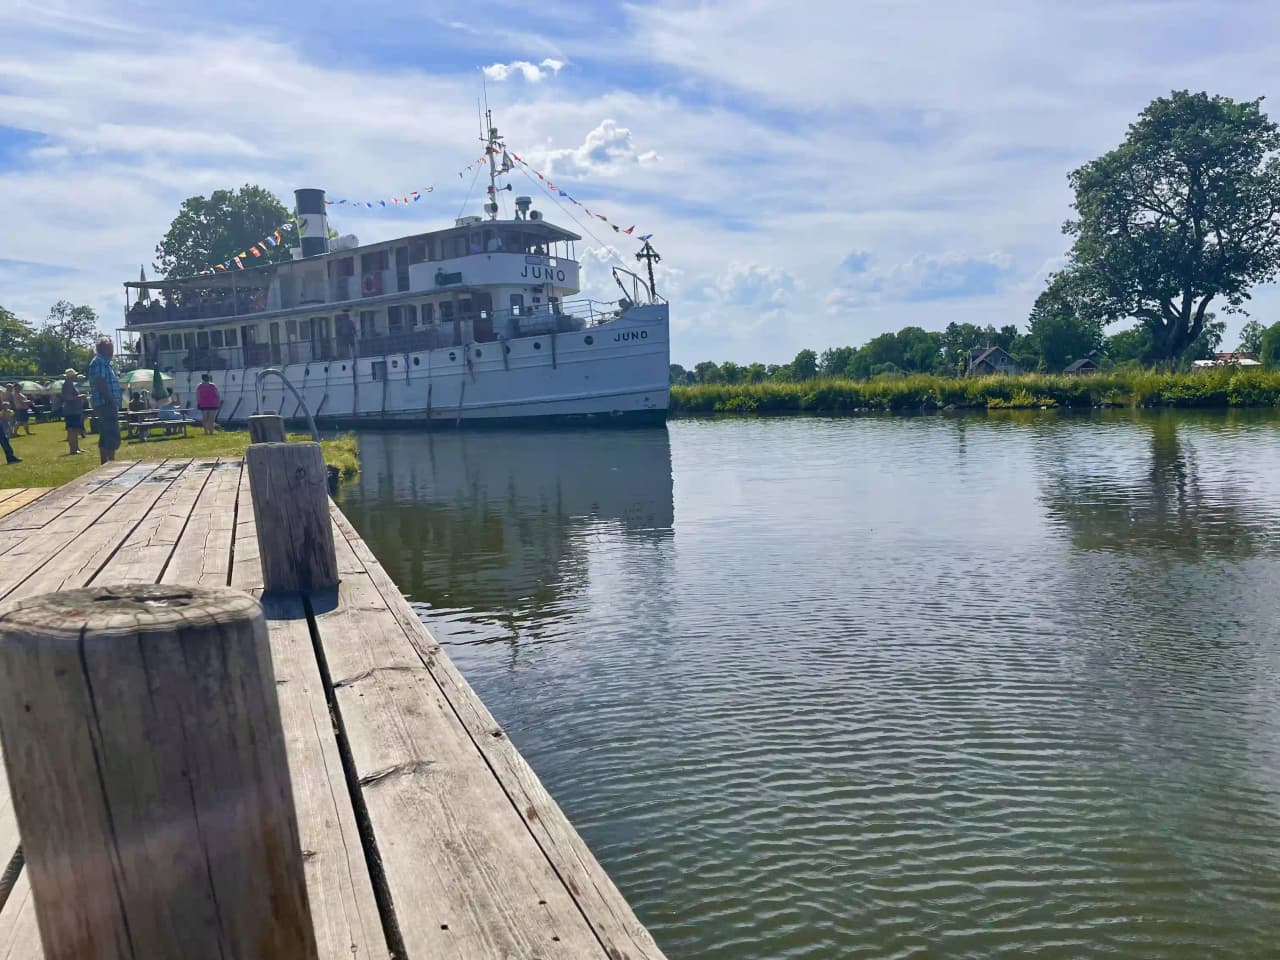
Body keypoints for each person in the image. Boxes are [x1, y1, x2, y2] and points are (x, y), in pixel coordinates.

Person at [89, 337, 122, 465]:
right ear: (102, 349)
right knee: (110, 432)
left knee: (107, 433)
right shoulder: (99, 362)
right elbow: (100, 382)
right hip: (106, 403)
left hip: (106, 403)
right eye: (110, 349)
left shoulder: (106, 363)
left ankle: (107, 462)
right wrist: (110, 400)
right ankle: (109, 462)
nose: (112, 352)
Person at [62, 369, 85, 455]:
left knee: (75, 429)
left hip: (75, 410)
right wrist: (80, 397)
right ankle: (73, 449)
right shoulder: (67, 385)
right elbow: (68, 398)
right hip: (71, 410)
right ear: (71, 376)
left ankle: (77, 447)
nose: (76, 376)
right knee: (72, 430)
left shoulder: (71, 384)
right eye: (75, 375)